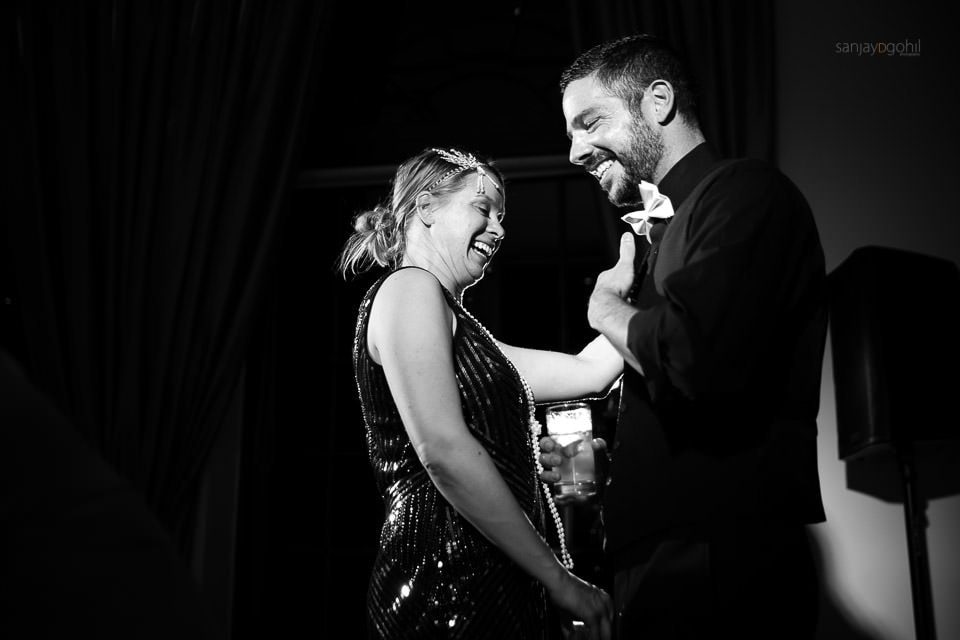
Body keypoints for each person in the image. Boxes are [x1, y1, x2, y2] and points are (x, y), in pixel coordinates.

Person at [539, 35, 828, 639]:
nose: (573, 152)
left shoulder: (745, 193)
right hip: (655, 560)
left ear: (659, 102)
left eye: (589, 122)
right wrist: (586, 469)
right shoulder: (651, 244)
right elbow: (627, 380)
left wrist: (605, 308)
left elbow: (693, 358)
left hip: (719, 553)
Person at [338, 147, 620, 639]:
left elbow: (590, 372)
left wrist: (634, 287)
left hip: (491, 584)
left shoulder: (473, 344)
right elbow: (442, 450)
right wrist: (559, 580)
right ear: (426, 208)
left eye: (502, 216)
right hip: (445, 582)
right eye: (483, 208)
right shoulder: (410, 288)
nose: (500, 228)